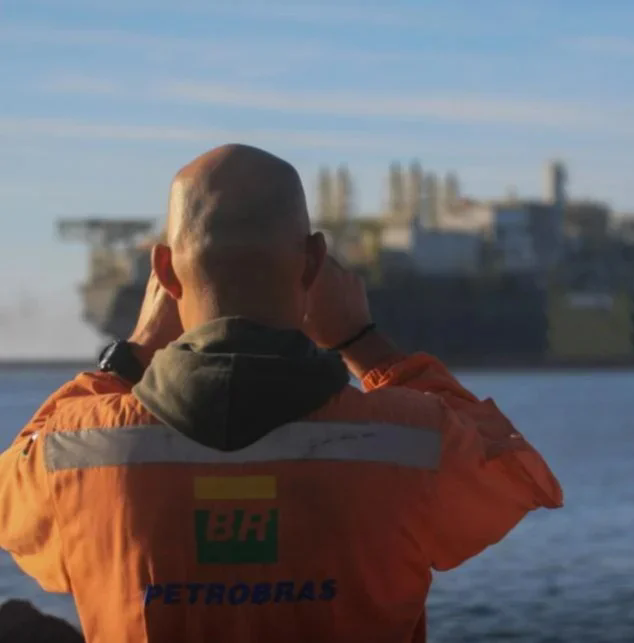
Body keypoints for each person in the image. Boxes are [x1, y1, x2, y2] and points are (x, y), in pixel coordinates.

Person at [0, 144, 563, 643]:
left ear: (165, 273)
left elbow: (9, 499)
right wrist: (365, 345)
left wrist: (133, 353)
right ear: (313, 264)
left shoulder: (75, 450)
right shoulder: (412, 441)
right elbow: (521, 474)